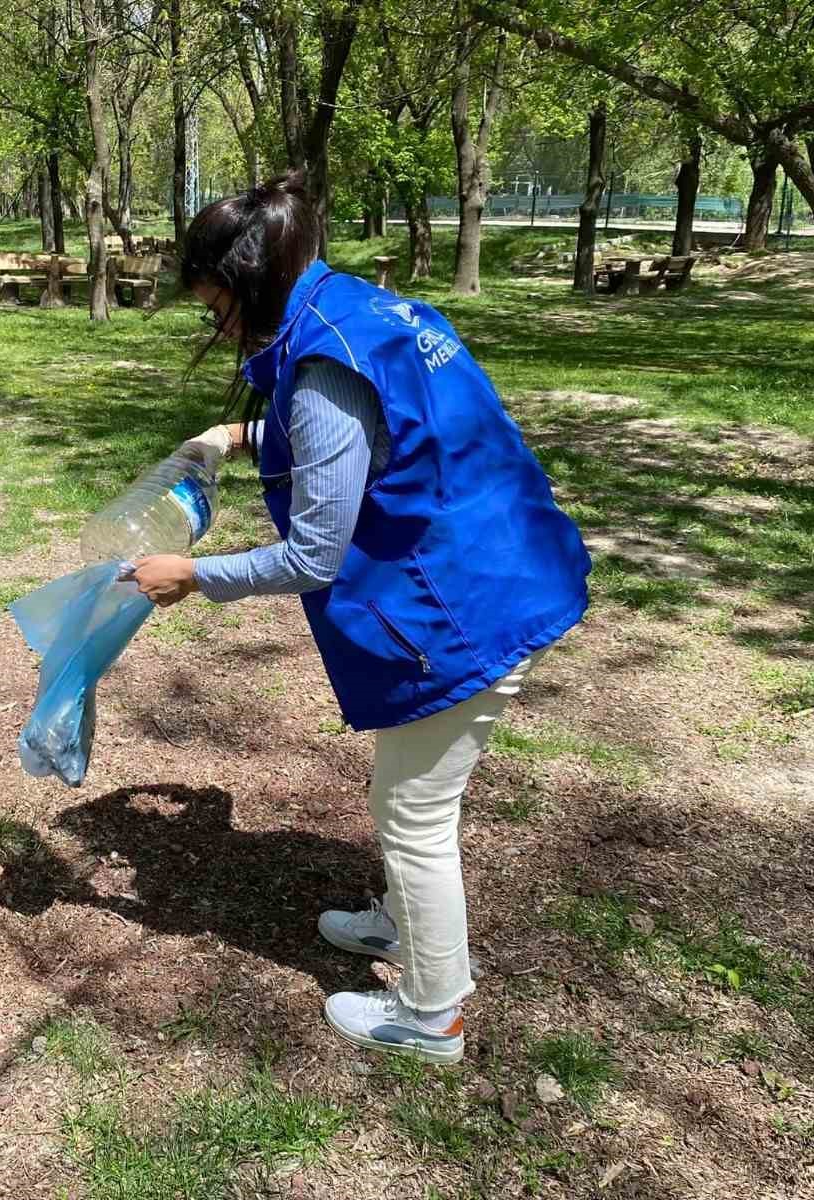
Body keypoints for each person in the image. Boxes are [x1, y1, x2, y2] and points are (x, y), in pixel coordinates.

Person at [128, 172, 592, 1064]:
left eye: (214, 308)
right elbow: (364, 434)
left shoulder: (322, 364)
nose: (215, 328)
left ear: (251, 284)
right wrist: (233, 436)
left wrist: (193, 574)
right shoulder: (363, 310)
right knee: (411, 790)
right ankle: (398, 927)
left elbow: (313, 555)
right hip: (504, 563)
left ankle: (431, 1013)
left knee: (414, 811)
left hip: (465, 604)